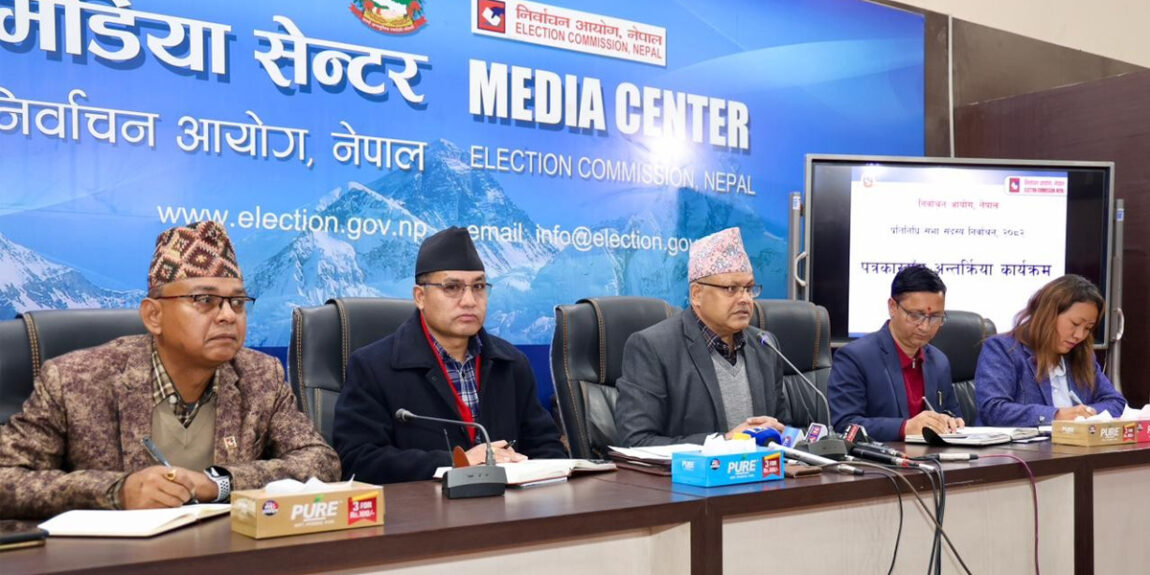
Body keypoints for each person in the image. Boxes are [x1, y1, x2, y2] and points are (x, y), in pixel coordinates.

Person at [0, 221, 339, 519]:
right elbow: (6, 478)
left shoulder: (261, 376)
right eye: (204, 300)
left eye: (237, 302)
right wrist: (116, 492)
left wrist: (218, 484)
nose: (227, 315)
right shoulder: (74, 380)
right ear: (154, 316)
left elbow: (321, 462)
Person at [334, 227, 566, 484]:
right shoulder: (372, 367)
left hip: (507, 504)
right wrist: (456, 462)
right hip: (424, 506)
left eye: (478, 287)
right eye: (452, 287)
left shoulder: (511, 363)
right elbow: (357, 461)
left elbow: (547, 448)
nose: (469, 300)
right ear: (420, 297)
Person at [614, 227, 808, 447]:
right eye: (731, 289)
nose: (745, 299)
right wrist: (724, 441)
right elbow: (636, 441)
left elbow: (782, 426)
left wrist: (781, 433)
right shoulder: (653, 348)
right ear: (697, 294)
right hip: (689, 470)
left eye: (749, 288)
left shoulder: (765, 345)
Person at [828, 265, 964, 441]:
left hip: (934, 456)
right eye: (916, 315)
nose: (925, 326)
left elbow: (952, 413)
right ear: (892, 307)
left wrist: (950, 421)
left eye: (935, 317)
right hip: (881, 456)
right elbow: (845, 424)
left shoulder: (939, 361)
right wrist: (905, 428)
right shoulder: (855, 358)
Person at [976, 274, 1125, 426]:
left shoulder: (1082, 355)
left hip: (1074, 441)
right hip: (1021, 442)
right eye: (1075, 324)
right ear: (1048, 315)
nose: (1079, 335)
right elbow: (992, 410)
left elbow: (1116, 402)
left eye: (1088, 328)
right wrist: (1056, 415)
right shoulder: (1003, 349)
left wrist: (1086, 414)